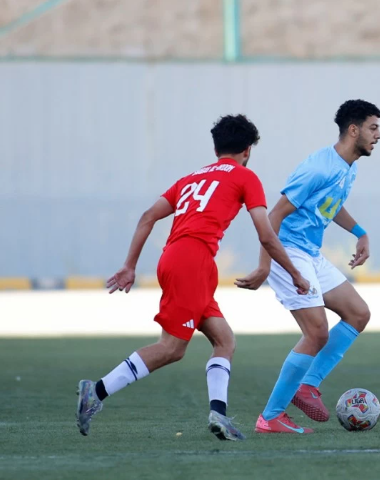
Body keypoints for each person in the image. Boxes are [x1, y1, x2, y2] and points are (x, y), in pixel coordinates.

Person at [76, 114, 311, 441]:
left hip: (180, 259)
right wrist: (295, 273)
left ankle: (219, 415)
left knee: (224, 341)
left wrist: (130, 265)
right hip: (193, 261)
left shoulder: (190, 179)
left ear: (216, 149)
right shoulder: (245, 176)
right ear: (247, 150)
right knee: (172, 348)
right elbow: (267, 234)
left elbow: (147, 217)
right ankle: (97, 391)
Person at [236, 100, 380, 434]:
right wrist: (264, 266)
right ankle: (270, 418)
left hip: (310, 253)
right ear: (354, 130)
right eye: (373, 128)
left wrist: (360, 233)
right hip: (287, 251)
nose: (379, 135)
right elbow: (274, 215)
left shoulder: (349, 167)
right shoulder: (319, 167)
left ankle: (307, 385)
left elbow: (331, 205)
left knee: (358, 314)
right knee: (316, 332)